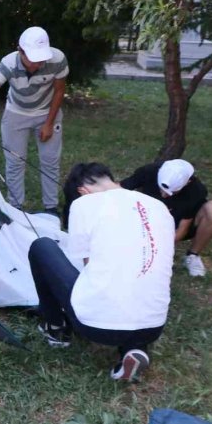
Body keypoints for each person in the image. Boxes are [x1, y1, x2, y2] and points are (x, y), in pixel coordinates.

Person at [28, 163, 175, 381]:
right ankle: (133, 349)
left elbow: (89, 266)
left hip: (95, 327)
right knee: (136, 276)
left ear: (82, 192)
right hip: (153, 326)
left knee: (42, 247)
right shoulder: (158, 206)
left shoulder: (85, 204)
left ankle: (56, 328)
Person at [0, 27, 67, 215]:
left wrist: (49, 123)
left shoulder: (57, 59)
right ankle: (15, 206)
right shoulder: (8, 64)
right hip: (16, 113)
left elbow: (59, 91)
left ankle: (51, 207)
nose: (37, 65)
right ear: (20, 51)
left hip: (47, 112)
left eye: (41, 59)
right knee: (14, 161)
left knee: (50, 161)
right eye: (33, 60)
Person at [120, 159, 212, 277]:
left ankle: (192, 256)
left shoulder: (195, 191)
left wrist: (155, 248)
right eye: (161, 189)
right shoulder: (149, 171)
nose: (164, 195)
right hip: (145, 219)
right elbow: (118, 189)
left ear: (187, 182)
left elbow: (182, 230)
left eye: (172, 193)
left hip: (177, 224)